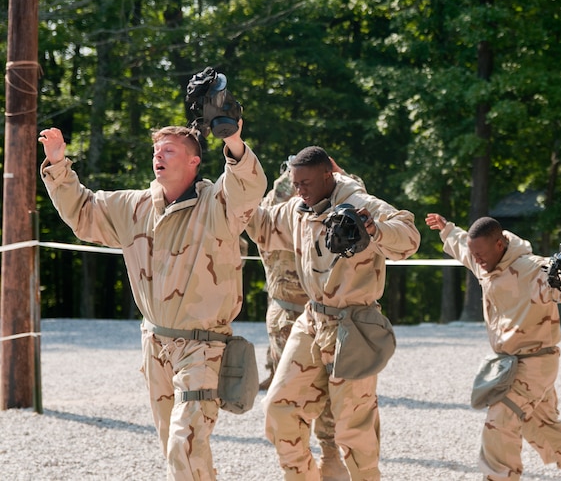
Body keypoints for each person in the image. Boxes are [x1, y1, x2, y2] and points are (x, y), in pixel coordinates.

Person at [39, 121, 267, 480]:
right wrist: (57, 165)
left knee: (184, 443)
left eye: (169, 151)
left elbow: (248, 186)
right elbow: (83, 211)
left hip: (202, 346)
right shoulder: (134, 206)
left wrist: (233, 139)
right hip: (155, 345)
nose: (158, 156)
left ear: (194, 162)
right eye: (156, 151)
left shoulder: (217, 205)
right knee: (172, 447)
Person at [246, 146, 420, 481]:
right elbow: (264, 227)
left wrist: (374, 230)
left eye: (306, 183)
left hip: (353, 326)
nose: (300, 191)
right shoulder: (299, 208)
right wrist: (232, 191)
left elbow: (410, 238)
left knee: (354, 433)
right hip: (312, 320)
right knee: (279, 410)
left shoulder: (359, 203)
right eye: (295, 184)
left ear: (330, 176)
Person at [425, 214, 561, 481]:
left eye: (482, 254)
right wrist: (447, 229)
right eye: (475, 255)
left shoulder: (532, 269)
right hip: (509, 363)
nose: (477, 260)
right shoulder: (483, 258)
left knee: (501, 419)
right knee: (541, 426)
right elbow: (464, 246)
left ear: (499, 245)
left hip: (536, 362)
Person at [257, 160, 349, 480]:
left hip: (311, 313)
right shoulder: (300, 208)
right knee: (309, 396)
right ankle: (322, 459)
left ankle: (317, 461)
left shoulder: (277, 208)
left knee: (300, 397)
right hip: (294, 313)